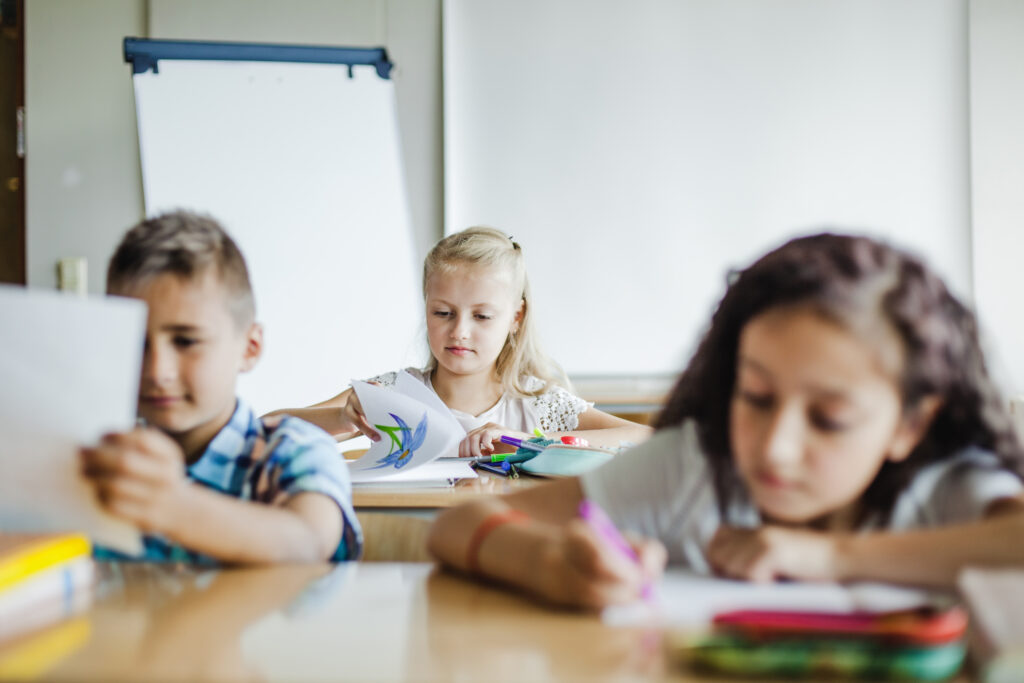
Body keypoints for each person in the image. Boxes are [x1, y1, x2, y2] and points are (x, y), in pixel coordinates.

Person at [427, 232, 1024, 607]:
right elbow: (455, 527)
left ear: (909, 426)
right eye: (757, 398)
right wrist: (548, 563)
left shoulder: (943, 486)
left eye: (831, 418)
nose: (776, 449)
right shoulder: (695, 466)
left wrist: (828, 557)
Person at [81, 210, 361, 563]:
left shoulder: (293, 450)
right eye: (135, 342)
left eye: (185, 341)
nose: (157, 371)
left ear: (249, 348)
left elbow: (307, 543)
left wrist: (176, 505)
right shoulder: (101, 458)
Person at [268, 227, 651, 457]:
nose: (459, 332)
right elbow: (264, 428)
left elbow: (643, 437)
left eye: (482, 317)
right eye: (442, 313)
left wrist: (525, 442)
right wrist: (338, 419)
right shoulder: (392, 393)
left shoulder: (538, 405)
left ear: (515, 317)